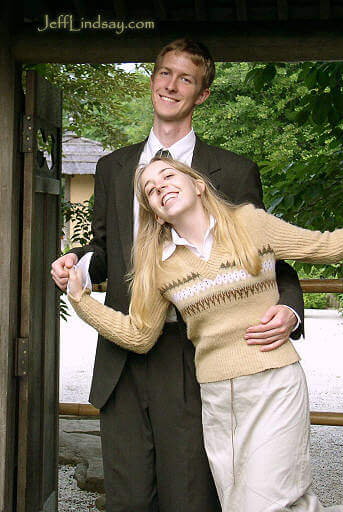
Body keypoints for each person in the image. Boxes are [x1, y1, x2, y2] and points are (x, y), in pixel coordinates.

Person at [67, 155, 343, 512]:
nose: (161, 188)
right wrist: (82, 300)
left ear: (198, 185)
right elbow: (140, 335)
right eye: (151, 190)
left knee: (264, 507)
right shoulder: (158, 265)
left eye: (168, 176)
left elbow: (325, 246)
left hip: (274, 386)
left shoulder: (251, 224)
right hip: (217, 400)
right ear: (156, 213)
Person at [51, 38, 304, 512]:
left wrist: (289, 310)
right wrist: (77, 262)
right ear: (152, 80)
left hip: (195, 357)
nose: (171, 85)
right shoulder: (111, 167)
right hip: (122, 355)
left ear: (201, 94)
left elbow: (273, 255)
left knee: (190, 498)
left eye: (185, 78)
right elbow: (102, 249)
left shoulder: (233, 170)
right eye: (164, 73)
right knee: (126, 501)